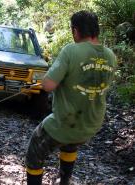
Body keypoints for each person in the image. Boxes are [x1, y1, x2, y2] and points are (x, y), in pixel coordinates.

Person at [25, 10, 117, 185]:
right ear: (96, 30)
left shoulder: (71, 51)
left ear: (75, 30)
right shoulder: (111, 56)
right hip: (91, 124)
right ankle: (65, 181)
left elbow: (48, 85)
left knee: (34, 150)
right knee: (70, 142)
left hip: (66, 124)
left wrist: (57, 80)